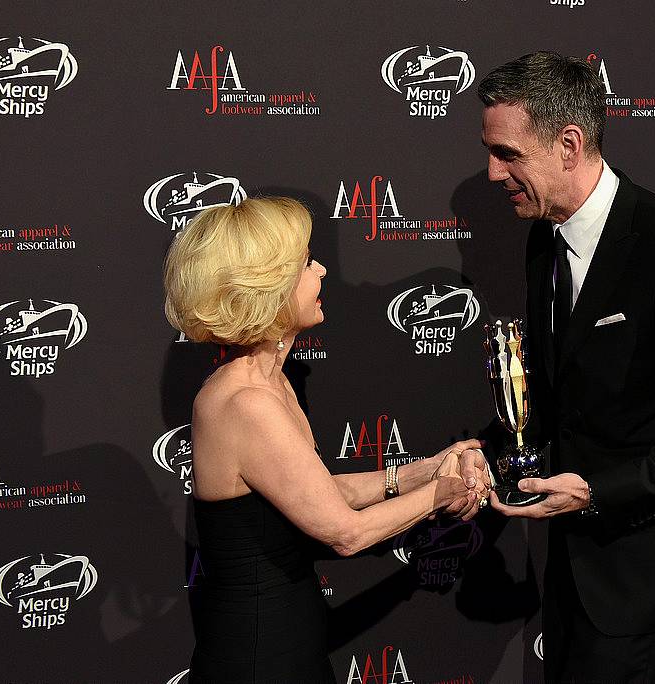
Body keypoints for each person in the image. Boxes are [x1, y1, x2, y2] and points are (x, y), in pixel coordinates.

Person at [478, 52, 655, 683]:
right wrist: (495, 451)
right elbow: (561, 394)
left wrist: (597, 492)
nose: (492, 172)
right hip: (571, 563)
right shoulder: (543, 238)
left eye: (508, 154)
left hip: (643, 570)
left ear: (569, 144)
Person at [162, 197, 492, 683]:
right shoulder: (244, 402)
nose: (320, 270)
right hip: (258, 661)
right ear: (267, 288)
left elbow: (319, 494)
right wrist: (442, 493)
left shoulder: (271, 382)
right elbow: (345, 532)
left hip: (292, 646)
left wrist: (432, 465)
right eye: (304, 263)